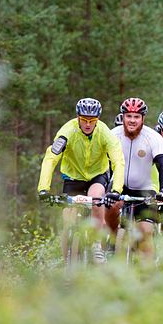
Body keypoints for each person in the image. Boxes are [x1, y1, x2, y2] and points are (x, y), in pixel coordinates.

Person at [37, 98, 124, 263]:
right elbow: (51, 158)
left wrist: (116, 190)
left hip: (97, 175)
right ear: (78, 117)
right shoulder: (67, 131)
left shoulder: (104, 132)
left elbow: (118, 161)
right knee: (67, 219)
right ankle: (66, 262)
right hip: (73, 177)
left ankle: (96, 244)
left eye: (92, 120)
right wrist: (43, 189)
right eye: (84, 119)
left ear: (98, 119)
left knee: (96, 199)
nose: (88, 124)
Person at [109, 97, 163, 257]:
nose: (132, 120)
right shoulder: (112, 135)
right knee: (110, 208)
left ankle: (147, 275)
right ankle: (111, 242)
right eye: (129, 116)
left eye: (136, 117)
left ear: (143, 118)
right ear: (123, 117)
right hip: (118, 187)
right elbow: (102, 163)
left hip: (144, 190)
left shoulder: (152, 137)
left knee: (146, 232)